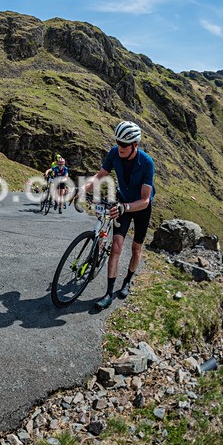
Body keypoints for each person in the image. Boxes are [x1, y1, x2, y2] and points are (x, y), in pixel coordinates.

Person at [82, 121, 155, 310]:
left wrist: (125, 207)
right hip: (122, 202)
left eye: (124, 144)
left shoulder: (147, 163)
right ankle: (108, 293)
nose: (119, 147)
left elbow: (146, 200)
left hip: (140, 208)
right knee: (116, 247)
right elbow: (99, 176)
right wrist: (82, 188)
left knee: (136, 249)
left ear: (135, 145)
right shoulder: (114, 152)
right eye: (118, 142)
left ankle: (128, 281)